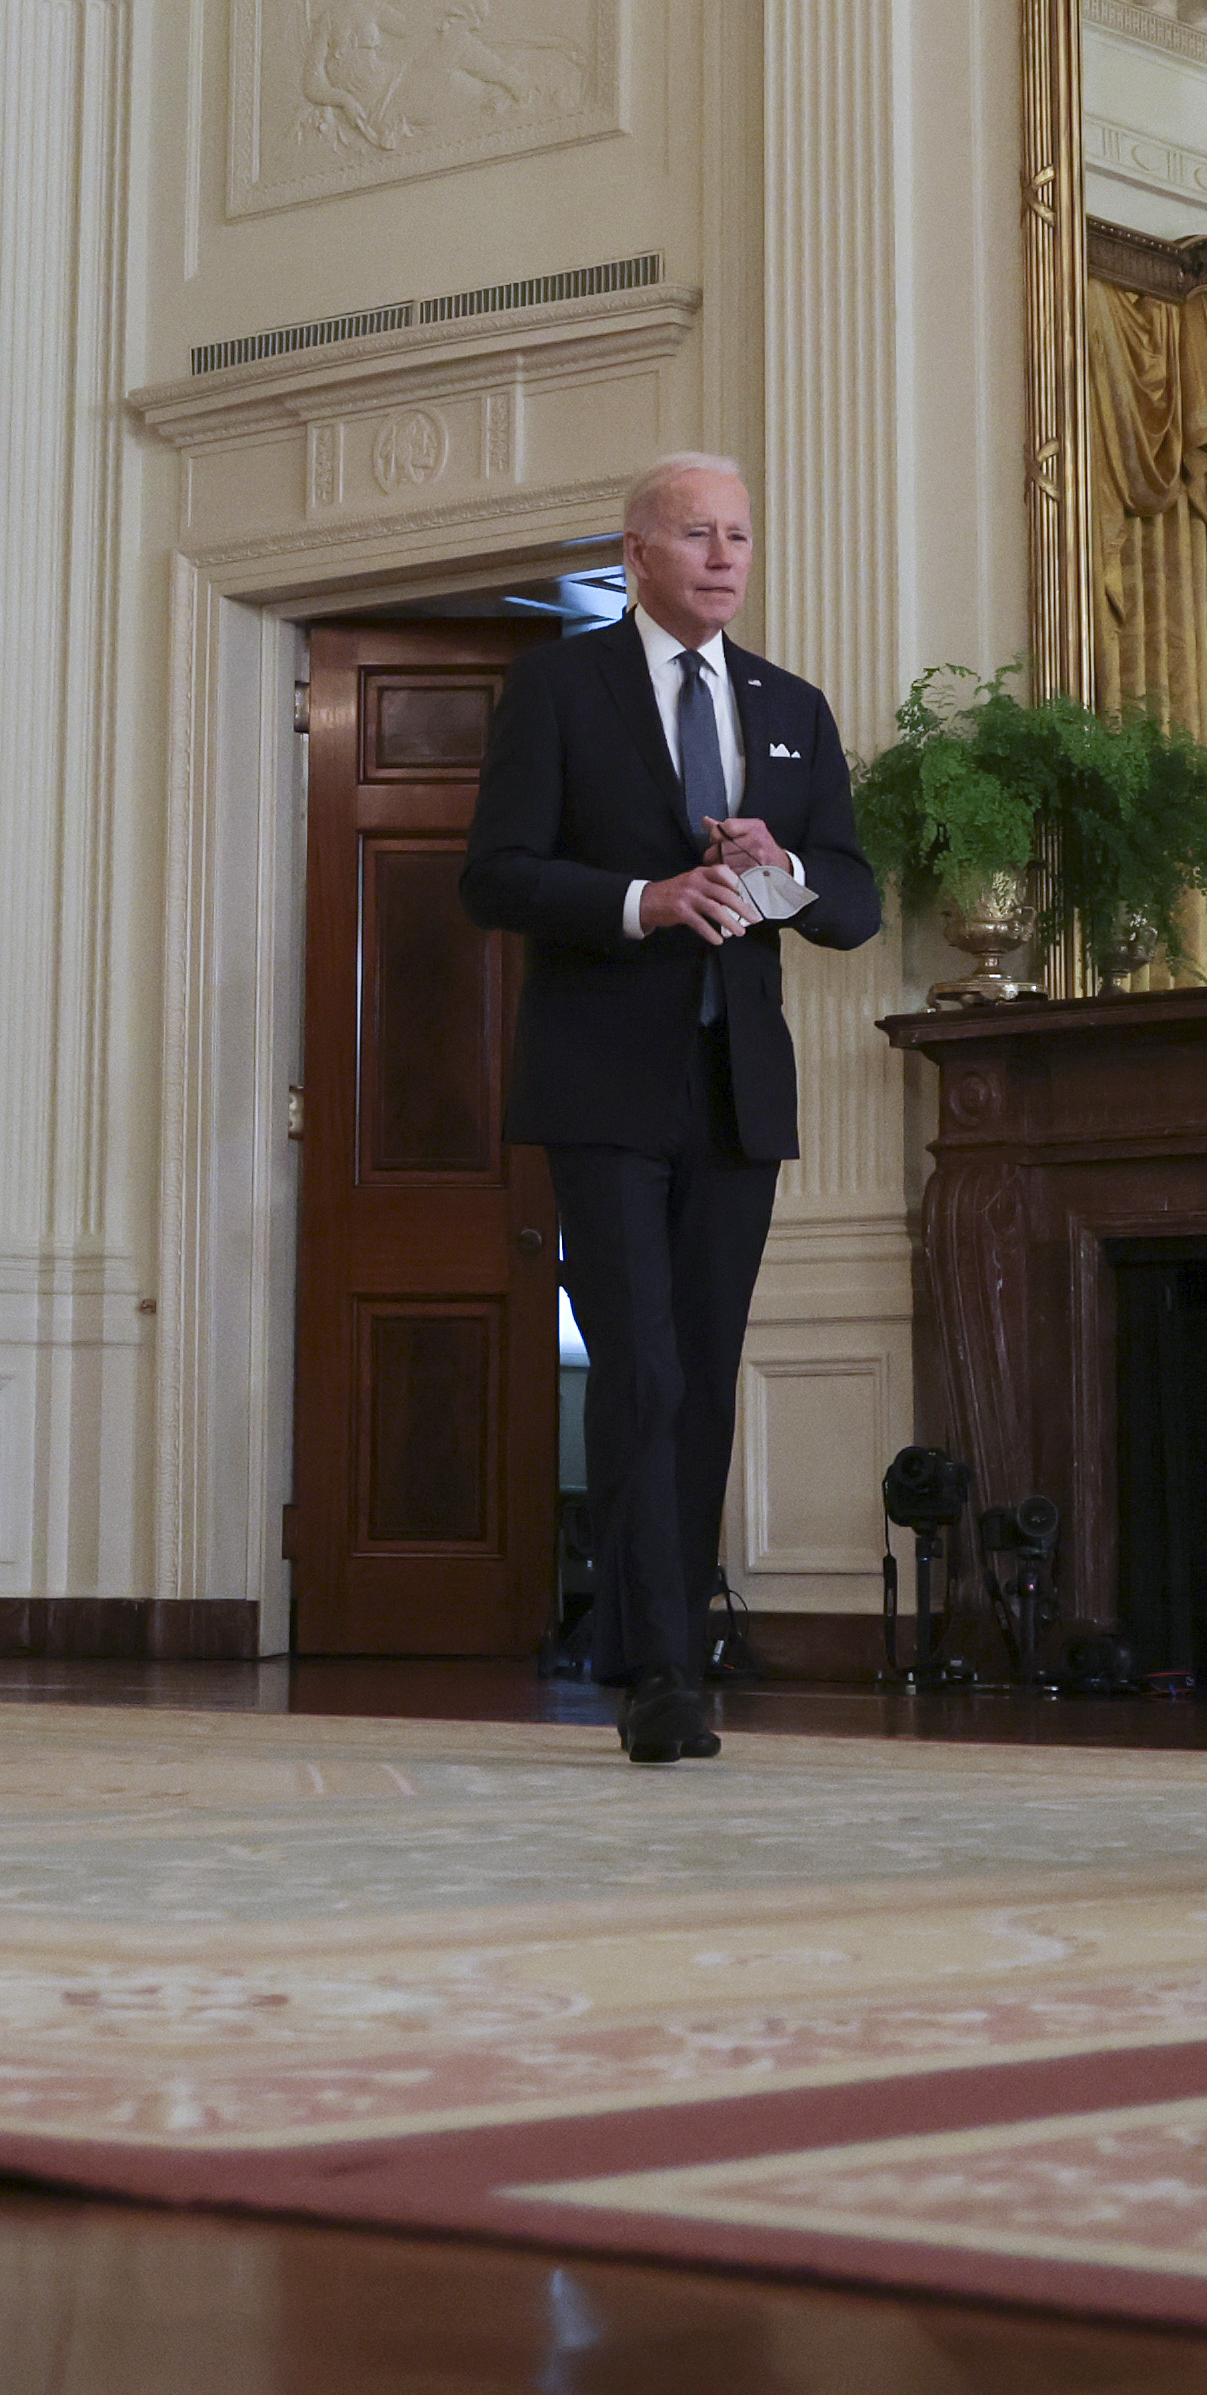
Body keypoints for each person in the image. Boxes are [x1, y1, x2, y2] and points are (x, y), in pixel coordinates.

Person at [457, 454, 882, 1766]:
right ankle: (658, 1669)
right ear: (637, 553)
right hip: (602, 1087)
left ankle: (662, 1643)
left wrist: (785, 870)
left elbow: (856, 909)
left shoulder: (793, 708)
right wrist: (646, 900)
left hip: (735, 1096)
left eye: (740, 536)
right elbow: (497, 877)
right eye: (697, 534)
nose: (724, 557)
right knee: (636, 1370)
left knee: (697, 1379)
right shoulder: (559, 686)